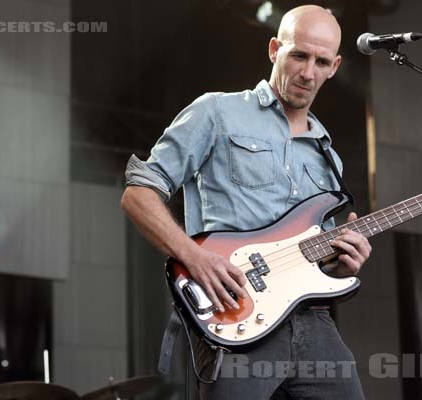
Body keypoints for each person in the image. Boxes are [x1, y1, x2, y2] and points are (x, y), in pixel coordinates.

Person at [121, 5, 371, 399]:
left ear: (335, 66)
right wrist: (195, 256)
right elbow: (138, 194)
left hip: (313, 325)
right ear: (275, 49)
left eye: (321, 61)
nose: (308, 72)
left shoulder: (328, 157)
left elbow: (316, 260)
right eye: (299, 55)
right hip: (236, 313)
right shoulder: (217, 112)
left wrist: (342, 262)